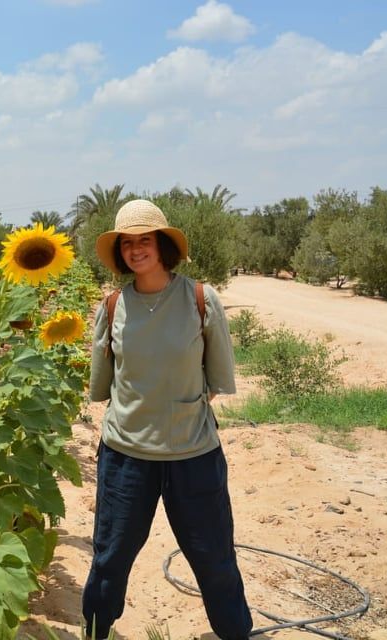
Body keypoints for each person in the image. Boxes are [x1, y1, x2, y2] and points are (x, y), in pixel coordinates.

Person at [83, 199, 253, 639]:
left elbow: (217, 378)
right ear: (119, 251)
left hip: (193, 455)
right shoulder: (113, 304)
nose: (136, 250)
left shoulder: (199, 299)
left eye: (145, 241)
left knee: (214, 559)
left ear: (162, 246)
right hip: (125, 458)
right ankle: (96, 632)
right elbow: (103, 385)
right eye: (127, 243)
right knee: (110, 560)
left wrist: (177, 408)